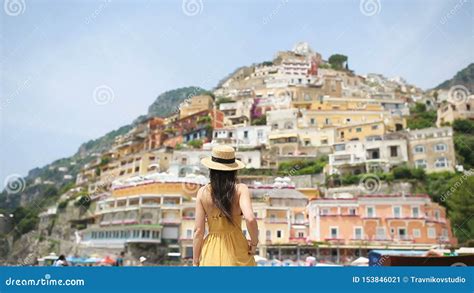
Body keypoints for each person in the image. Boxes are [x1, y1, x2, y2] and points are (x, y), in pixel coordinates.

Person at [193, 145, 258, 266]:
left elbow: (198, 231)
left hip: (210, 251)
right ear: (234, 170)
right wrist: (254, 244)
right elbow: (250, 218)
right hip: (238, 250)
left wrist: (195, 260)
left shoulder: (202, 192)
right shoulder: (240, 190)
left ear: (211, 169)